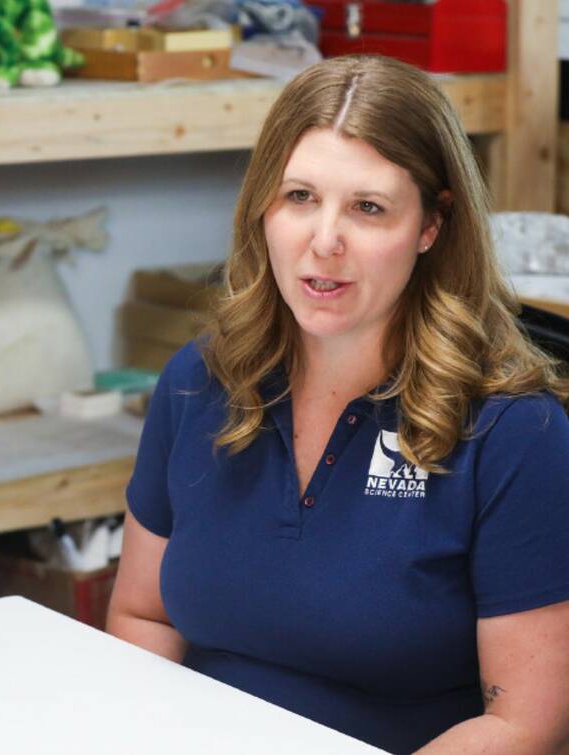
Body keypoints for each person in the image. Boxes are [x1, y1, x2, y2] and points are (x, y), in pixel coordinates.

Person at [107, 55, 569, 754]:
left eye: (369, 207)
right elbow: (144, 616)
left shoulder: (514, 431)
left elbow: (526, 725)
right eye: (299, 197)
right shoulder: (196, 381)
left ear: (431, 225)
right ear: (262, 205)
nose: (325, 241)